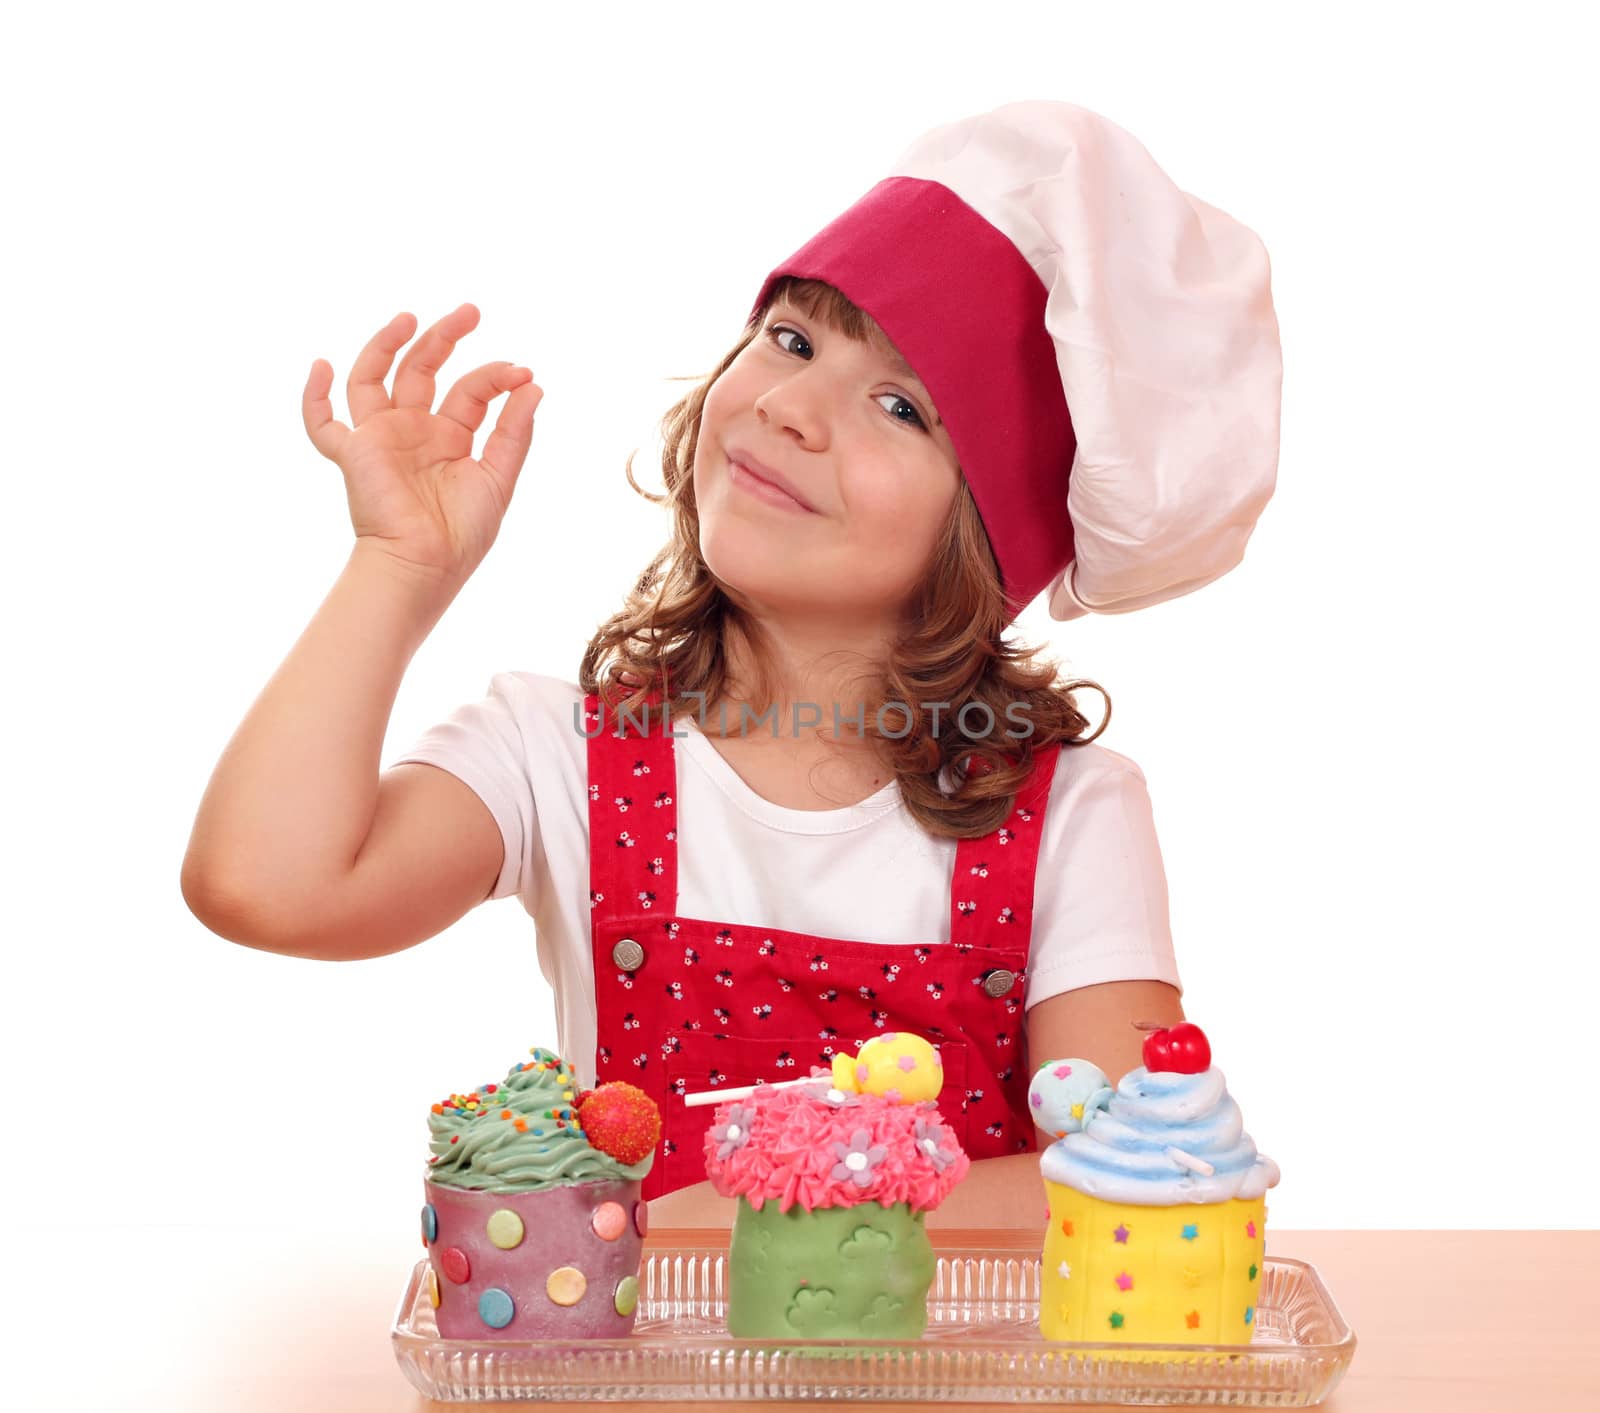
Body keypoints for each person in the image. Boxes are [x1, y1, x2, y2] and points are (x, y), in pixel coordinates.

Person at [180, 100, 1281, 1230]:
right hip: (638, 1409)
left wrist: (744, 1215)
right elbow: (266, 888)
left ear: (989, 536)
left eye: (901, 407)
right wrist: (399, 565)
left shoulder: (1074, 817)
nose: (793, 408)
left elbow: (1144, 1188)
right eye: (792, 340)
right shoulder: (553, 754)